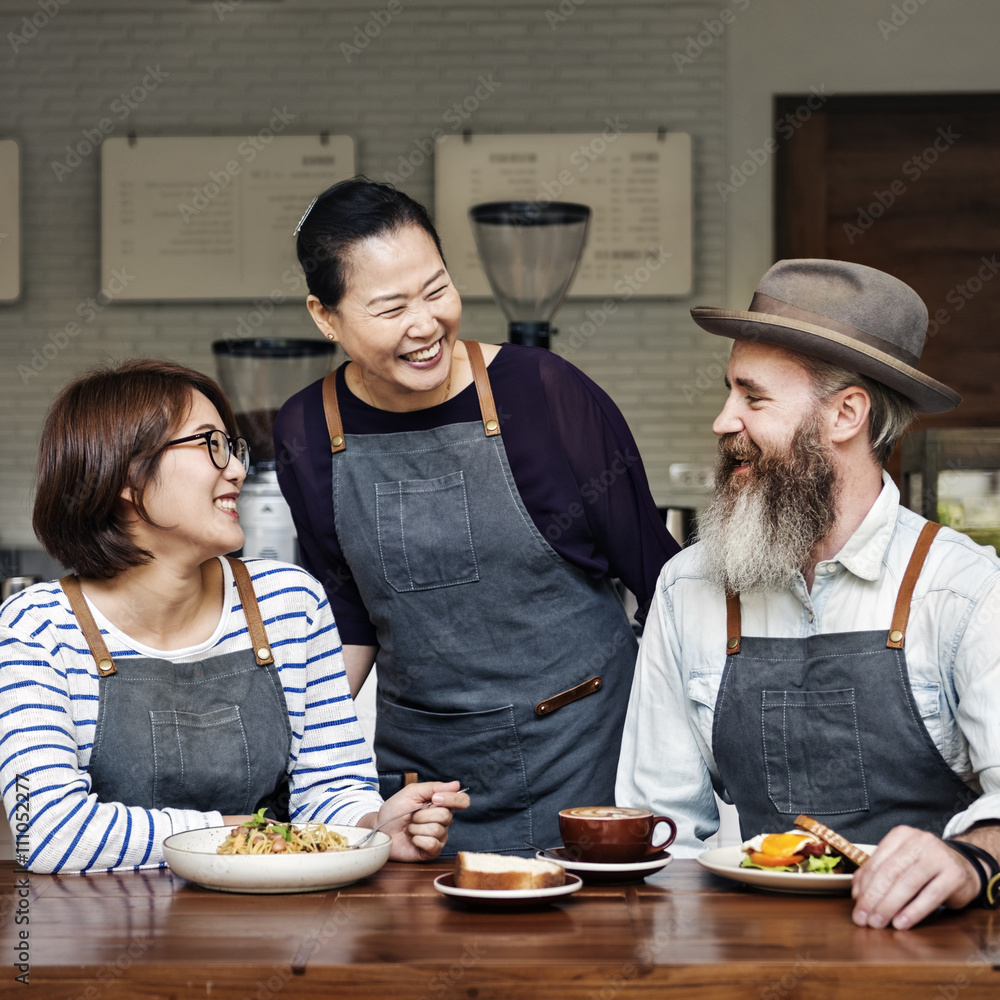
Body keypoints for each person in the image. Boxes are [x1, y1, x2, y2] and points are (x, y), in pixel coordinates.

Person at [273, 178, 679, 855]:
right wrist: (300, 768)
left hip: (585, 759)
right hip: (426, 788)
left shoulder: (546, 394)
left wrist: (679, 756)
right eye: (390, 307)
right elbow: (347, 614)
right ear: (325, 316)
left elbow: (662, 579)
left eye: (436, 291)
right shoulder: (308, 429)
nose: (425, 325)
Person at [616, 258, 1000, 928]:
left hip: (931, 950)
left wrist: (970, 858)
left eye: (753, 398)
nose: (722, 421)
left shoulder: (963, 590)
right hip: (746, 953)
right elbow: (660, 831)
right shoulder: (689, 588)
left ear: (845, 414)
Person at [0, 359, 468, 874]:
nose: (238, 469)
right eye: (210, 444)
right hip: (102, 938)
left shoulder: (289, 603)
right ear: (125, 475)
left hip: (271, 929)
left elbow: (330, 792)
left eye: (232, 445)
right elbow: (43, 832)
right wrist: (248, 834)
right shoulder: (38, 628)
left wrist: (373, 826)